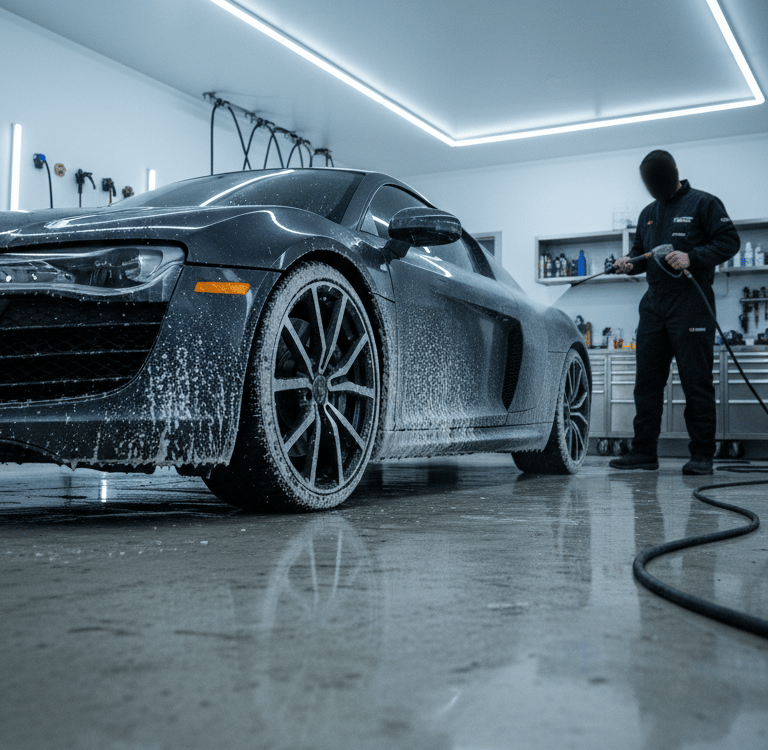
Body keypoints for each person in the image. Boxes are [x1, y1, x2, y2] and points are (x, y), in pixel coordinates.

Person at [609, 150, 740, 475]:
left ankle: (701, 455)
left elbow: (730, 241)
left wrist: (692, 257)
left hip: (691, 304)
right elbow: (640, 254)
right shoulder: (648, 213)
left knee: (696, 382)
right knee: (647, 383)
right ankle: (643, 453)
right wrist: (628, 263)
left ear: (675, 173)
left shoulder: (704, 203)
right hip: (654, 305)